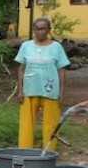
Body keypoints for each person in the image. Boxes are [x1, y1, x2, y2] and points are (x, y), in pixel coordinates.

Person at [15, 18, 70, 152]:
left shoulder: (56, 47)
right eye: (37, 29)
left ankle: (49, 152)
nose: (40, 32)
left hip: (51, 92)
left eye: (43, 28)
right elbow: (21, 69)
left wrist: (61, 93)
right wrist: (20, 91)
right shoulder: (26, 46)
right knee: (26, 124)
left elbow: (62, 70)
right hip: (29, 90)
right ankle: (25, 152)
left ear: (49, 30)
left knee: (51, 124)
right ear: (33, 30)